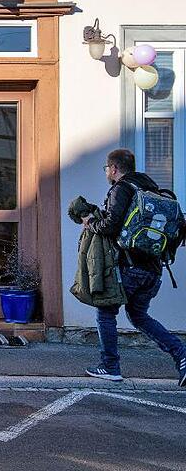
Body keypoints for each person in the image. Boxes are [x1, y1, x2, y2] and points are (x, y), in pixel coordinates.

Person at [82, 148, 186, 386]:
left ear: (114, 169)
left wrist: (91, 223)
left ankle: (110, 366)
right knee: (138, 315)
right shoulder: (151, 188)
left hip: (129, 267)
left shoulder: (122, 189)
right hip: (154, 269)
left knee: (106, 311)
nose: (106, 173)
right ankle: (182, 354)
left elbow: (110, 225)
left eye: (107, 168)